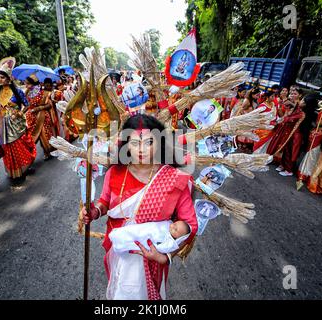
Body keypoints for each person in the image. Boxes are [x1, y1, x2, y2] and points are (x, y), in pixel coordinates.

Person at [81, 114, 197, 300]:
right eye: (135, 143)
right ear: (126, 145)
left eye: (148, 142)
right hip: (119, 249)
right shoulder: (115, 172)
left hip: (154, 255)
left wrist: (166, 256)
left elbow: (190, 224)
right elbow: (104, 202)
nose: (141, 150)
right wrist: (94, 212)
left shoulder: (174, 178)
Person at [0, 70, 36, 182]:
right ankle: (14, 171)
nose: (0, 80)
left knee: (18, 144)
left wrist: (20, 113)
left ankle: (23, 168)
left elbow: (27, 105)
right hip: (3, 121)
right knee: (7, 146)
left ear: (9, 78)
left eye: (2, 77)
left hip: (16, 122)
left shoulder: (17, 91)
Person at [268, 88, 305, 176]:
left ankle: (288, 168)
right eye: (292, 93)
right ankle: (282, 164)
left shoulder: (300, 107)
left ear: (300, 95)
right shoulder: (290, 104)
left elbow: (293, 116)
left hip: (293, 131)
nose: (292, 95)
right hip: (285, 127)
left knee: (288, 149)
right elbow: (284, 115)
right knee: (282, 146)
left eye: (295, 93)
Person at [109, 220, 190, 254]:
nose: (172, 227)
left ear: (179, 238)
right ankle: (118, 235)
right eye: (175, 224)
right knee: (133, 230)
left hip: (149, 239)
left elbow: (161, 248)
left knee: (135, 239)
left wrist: (157, 244)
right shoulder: (168, 224)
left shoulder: (170, 243)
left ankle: (120, 242)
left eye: (175, 230)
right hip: (147, 228)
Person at [25, 75, 56, 160]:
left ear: (33, 84)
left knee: (44, 135)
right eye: (25, 84)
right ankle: (30, 157)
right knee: (32, 137)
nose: (26, 86)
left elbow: (49, 105)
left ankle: (48, 151)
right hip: (32, 118)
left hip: (42, 117)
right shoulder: (27, 93)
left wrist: (39, 108)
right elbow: (27, 105)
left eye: (28, 84)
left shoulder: (43, 93)